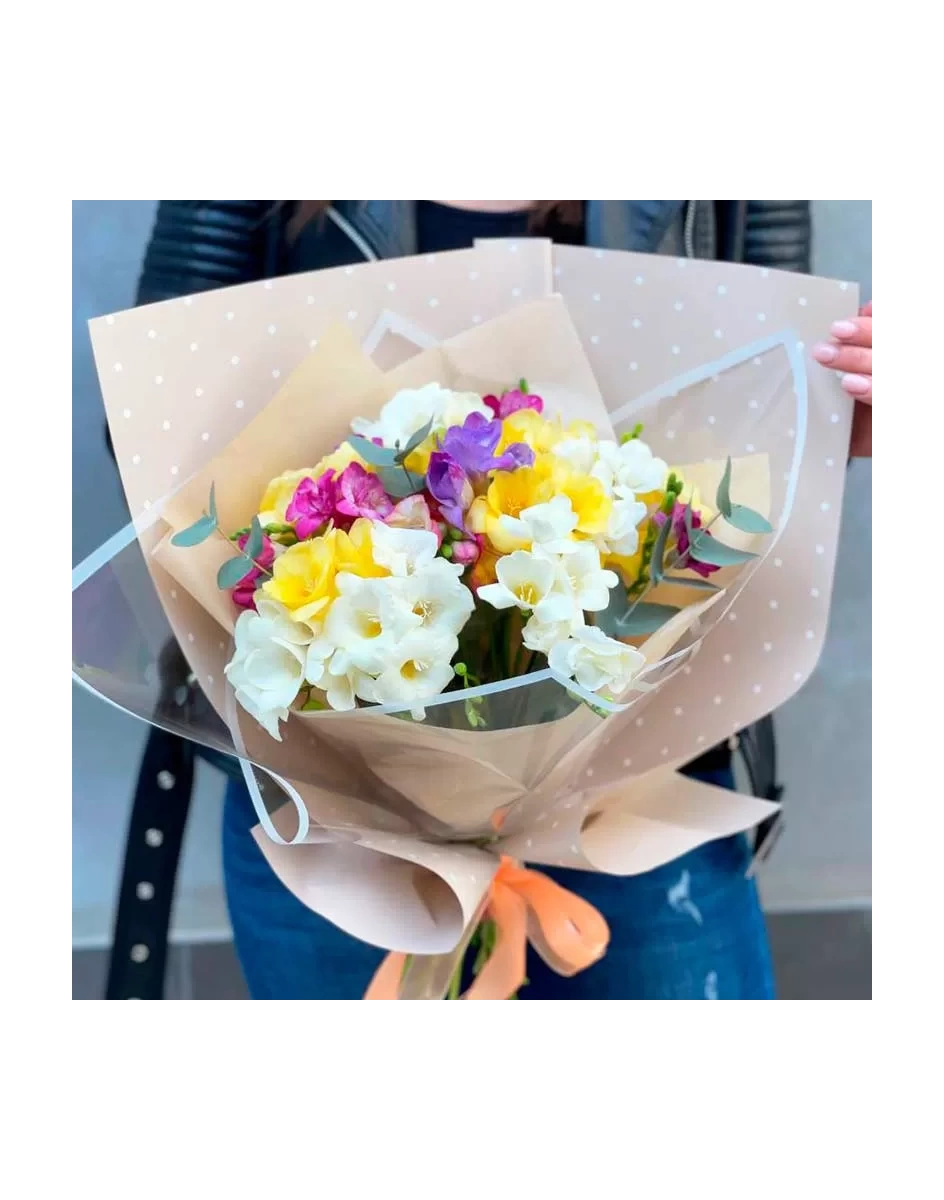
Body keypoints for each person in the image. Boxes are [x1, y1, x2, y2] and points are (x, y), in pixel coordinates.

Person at [131, 201, 873, 999]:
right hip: (336, 810)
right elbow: (149, 416)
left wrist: (836, 426)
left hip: (639, 789)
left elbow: (759, 441)